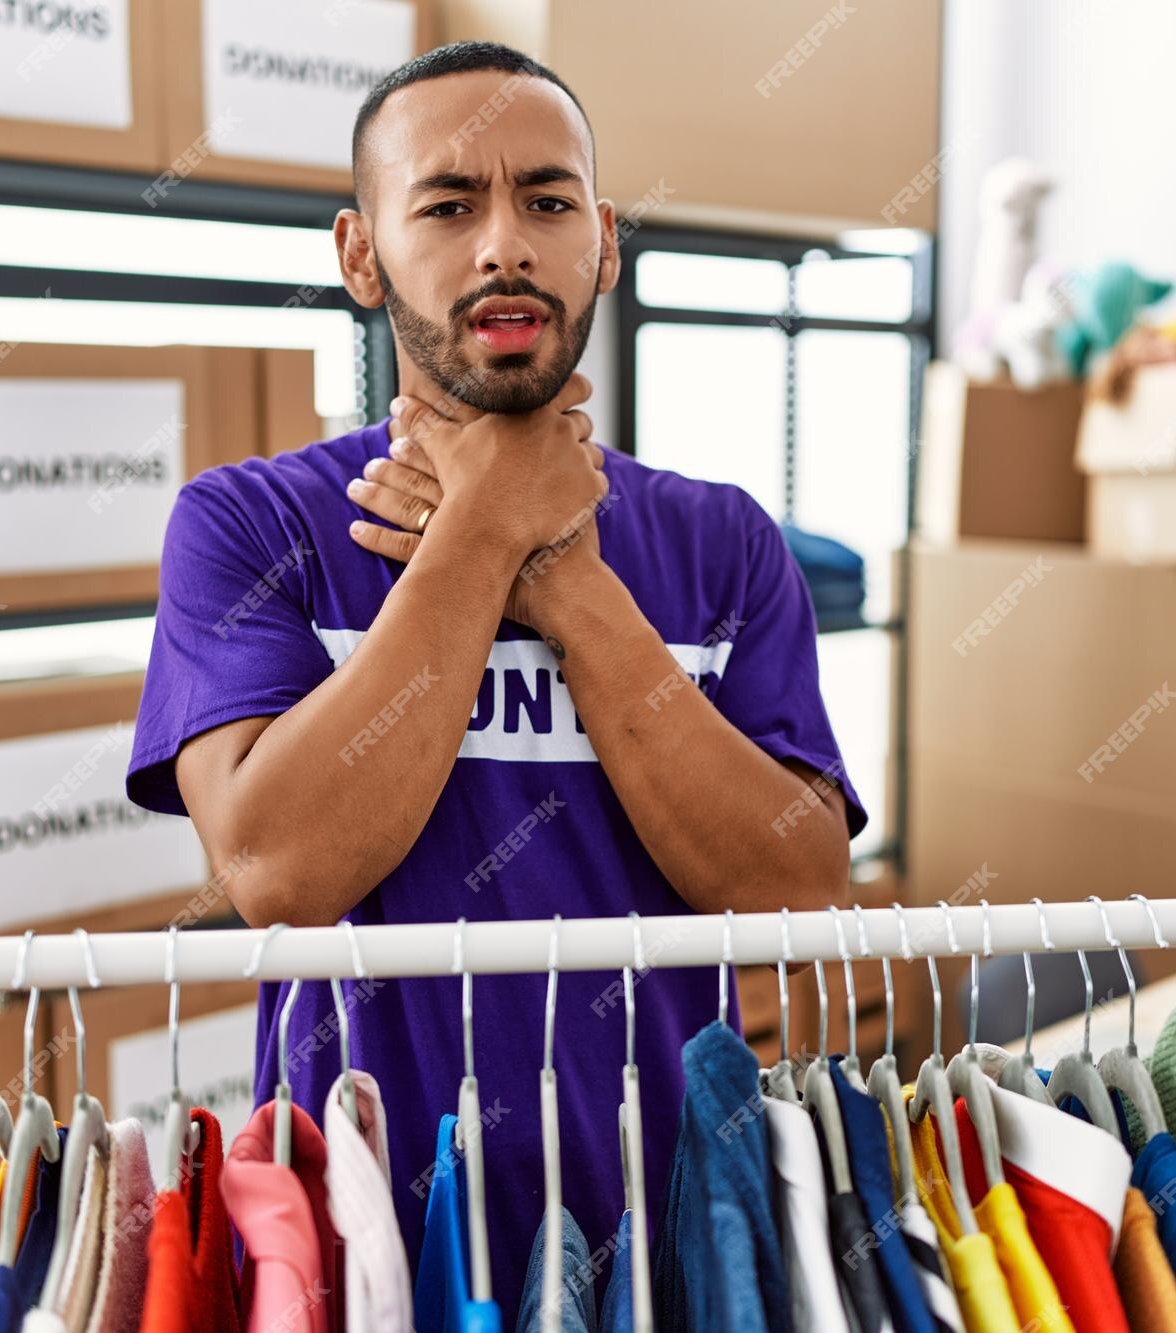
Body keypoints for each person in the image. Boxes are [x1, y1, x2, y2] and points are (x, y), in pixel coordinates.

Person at [125, 40, 863, 1326]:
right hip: (368, 1238)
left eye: (547, 199)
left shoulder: (723, 541)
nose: (504, 245)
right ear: (360, 256)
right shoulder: (249, 527)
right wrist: (479, 535)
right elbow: (279, 873)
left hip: (671, 1229)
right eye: (448, 204)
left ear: (604, 242)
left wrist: (570, 583)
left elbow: (793, 890)